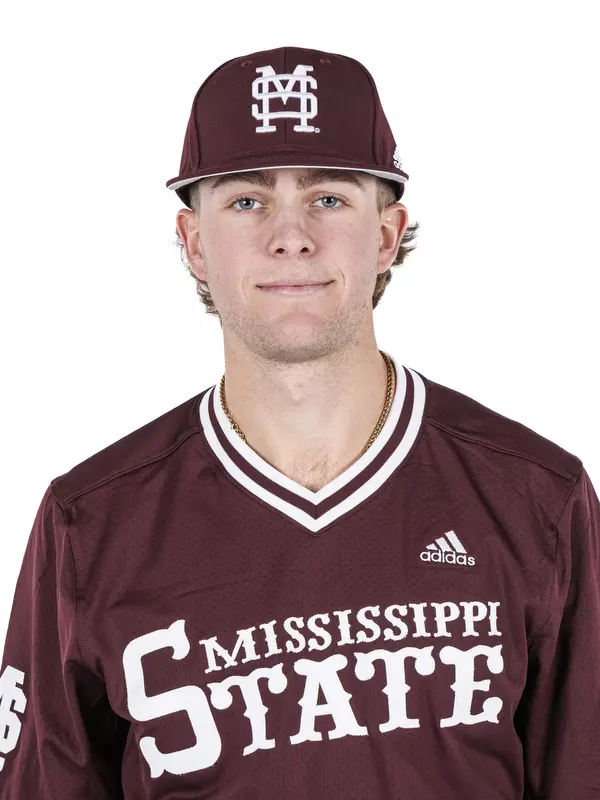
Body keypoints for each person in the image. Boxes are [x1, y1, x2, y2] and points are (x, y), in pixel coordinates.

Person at [0, 45, 598, 800]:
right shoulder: (90, 522)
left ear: (387, 235)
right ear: (194, 242)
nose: (291, 236)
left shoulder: (537, 498)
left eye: (330, 198)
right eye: (247, 201)